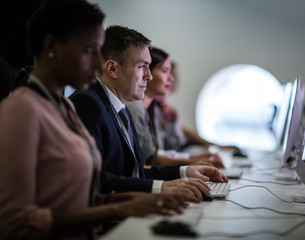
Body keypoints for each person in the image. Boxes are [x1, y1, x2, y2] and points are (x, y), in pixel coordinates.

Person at [0, 1, 188, 239]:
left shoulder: (64, 106)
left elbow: (80, 195)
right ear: (51, 46)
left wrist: (142, 198)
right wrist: (119, 208)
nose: (100, 64)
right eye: (90, 50)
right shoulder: (23, 110)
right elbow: (17, 223)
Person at [70, 25, 228, 202]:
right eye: (142, 67)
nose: (149, 76)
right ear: (112, 69)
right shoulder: (88, 104)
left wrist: (184, 171)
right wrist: (161, 187)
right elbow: (95, 179)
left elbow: (135, 173)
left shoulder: (121, 106)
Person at [126, 48, 224, 168]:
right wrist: (190, 164)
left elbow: (156, 154)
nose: (171, 79)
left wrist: (193, 159)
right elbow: (146, 162)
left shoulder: (150, 108)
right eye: (165, 71)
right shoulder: (136, 108)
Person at [154, 61, 247, 156]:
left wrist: (215, 146)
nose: (173, 79)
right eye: (171, 75)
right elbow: (184, 132)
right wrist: (214, 146)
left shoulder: (165, 106)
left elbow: (183, 130)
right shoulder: (157, 107)